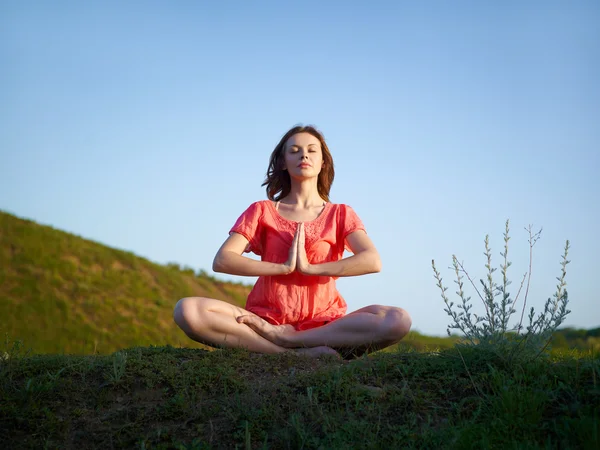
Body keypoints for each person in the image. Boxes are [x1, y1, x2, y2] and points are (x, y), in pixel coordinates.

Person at [173, 125, 412, 358]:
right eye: (294, 150)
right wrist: (283, 267)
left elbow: (372, 260)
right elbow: (223, 260)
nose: (303, 154)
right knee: (188, 311)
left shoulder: (341, 214)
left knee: (397, 320)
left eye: (311, 150)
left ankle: (292, 341)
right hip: (264, 322)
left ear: (323, 162)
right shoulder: (261, 210)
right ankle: (288, 354)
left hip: (324, 327)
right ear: (282, 163)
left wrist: (310, 268)